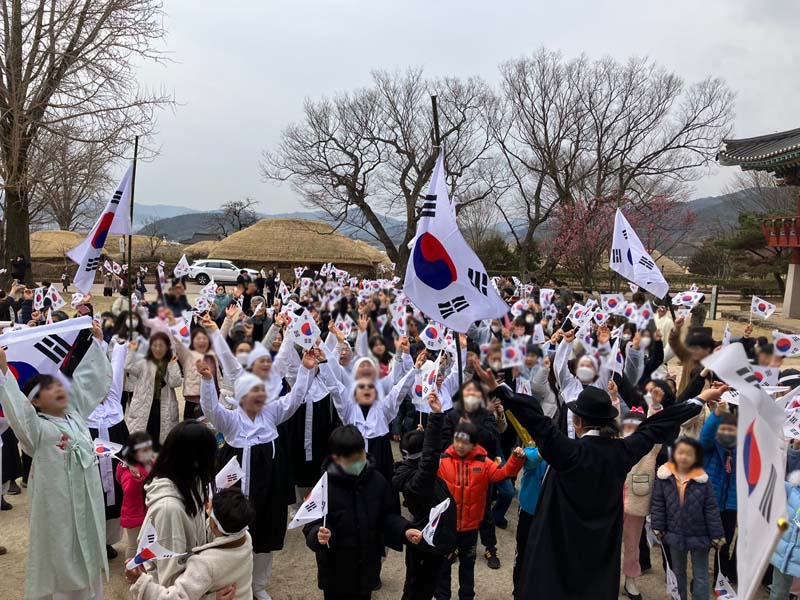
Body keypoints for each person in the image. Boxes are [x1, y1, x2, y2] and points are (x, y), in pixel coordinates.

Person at [474, 359, 723, 600]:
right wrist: (700, 399)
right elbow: (655, 426)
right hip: (599, 550)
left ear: (578, 421)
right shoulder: (623, 452)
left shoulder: (568, 452)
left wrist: (501, 391)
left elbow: (536, 422)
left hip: (560, 545)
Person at [0, 321, 112, 600]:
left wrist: (96, 342)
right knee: (62, 555)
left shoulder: (75, 414)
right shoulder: (38, 431)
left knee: (89, 554)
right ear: (35, 403)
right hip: (59, 506)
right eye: (46, 390)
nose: (56, 390)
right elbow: (17, 410)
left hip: (86, 501)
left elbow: (88, 381)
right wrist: (4, 371)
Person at [198, 349, 317, 600]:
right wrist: (208, 382)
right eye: (255, 391)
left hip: (269, 488)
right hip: (237, 491)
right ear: (242, 397)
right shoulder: (231, 421)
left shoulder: (271, 415)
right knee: (233, 534)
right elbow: (211, 411)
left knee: (266, 535)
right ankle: (232, 583)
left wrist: (306, 370)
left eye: (262, 390)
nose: (261, 394)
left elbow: (294, 399)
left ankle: (258, 584)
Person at [303, 425, 423, 600]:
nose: (357, 463)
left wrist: (405, 530)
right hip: (336, 571)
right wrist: (318, 535)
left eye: (360, 456)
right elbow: (311, 523)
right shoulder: (324, 487)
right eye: (351, 460)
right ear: (336, 459)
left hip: (367, 565)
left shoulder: (377, 481)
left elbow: (387, 516)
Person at [435, 422, 526, 600]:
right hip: (447, 527)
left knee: (468, 566)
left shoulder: (484, 463)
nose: (460, 445)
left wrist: (516, 459)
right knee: (443, 566)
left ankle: (467, 596)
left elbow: (503, 473)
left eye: (465, 442)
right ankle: (441, 596)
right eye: (457, 440)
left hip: (470, 529)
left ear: (474, 443)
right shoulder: (442, 460)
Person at [127, 488, 256, 600]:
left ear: (215, 525)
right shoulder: (246, 539)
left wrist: (140, 582)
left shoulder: (205, 564)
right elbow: (219, 534)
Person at [392, 391, 457, 600]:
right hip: (425, 546)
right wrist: (436, 416)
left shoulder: (412, 471)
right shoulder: (419, 482)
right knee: (417, 591)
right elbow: (430, 455)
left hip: (432, 544)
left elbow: (429, 452)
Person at [139, 420, 217, 587]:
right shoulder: (169, 510)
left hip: (194, 580)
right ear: (196, 460)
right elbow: (170, 580)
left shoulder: (191, 481)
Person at [651, 437, 725, 600]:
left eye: (689, 454)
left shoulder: (703, 480)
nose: (684, 457)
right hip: (674, 534)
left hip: (700, 535)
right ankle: (679, 597)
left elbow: (711, 509)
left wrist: (717, 535)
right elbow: (658, 504)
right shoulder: (664, 478)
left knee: (701, 574)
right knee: (678, 571)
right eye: (680, 453)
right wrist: (657, 525)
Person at [86, 342, 130, 560]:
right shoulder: (81, 408)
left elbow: (117, 362)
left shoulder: (114, 402)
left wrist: (112, 342)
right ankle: (93, 543)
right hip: (92, 462)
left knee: (117, 496)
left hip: (116, 462)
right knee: (94, 498)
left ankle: (108, 542)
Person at [621, 407, 661, 600]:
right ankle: (606, 576)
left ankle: (630, 579)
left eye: (636, 427)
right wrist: (613, 396)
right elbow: (612, 416)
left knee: (632, 545)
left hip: (636, 505)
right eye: (627, 426)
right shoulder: (616, 443)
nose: (631, 430)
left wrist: (655, 411)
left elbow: (658, 429)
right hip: (611, 503)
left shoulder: (650, 448)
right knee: (607, 542)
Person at [699, 400, 738, 583]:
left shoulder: (741, 450)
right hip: (711, 502)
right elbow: (704, 438)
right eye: (724, 429)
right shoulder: (711, 447)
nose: (728, 433)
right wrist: (716, 415)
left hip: (731, 504)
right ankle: (700, 577)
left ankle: (720, 578)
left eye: (732, 429)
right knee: (705, 541)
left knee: (725, 543)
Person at [124, 332, 183, 450]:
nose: (158, 348)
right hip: (144, 405)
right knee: (142, 438)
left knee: (161, 439)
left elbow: (175, 382)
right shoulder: (144, 361)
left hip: (164, 405)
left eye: (161, 346)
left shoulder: (170, 361)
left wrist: (172, 363)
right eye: (155, 345)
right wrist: (131, 351)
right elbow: (128, 367)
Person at [513, 442, 546, 599]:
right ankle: (518, 590)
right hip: (528, 510)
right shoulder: (533, 451)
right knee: (523, 551)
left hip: (548, 513)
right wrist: (544, 450)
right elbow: (530, 458)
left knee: (542, 555)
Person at [117, 431, 155, 560]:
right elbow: (129, 491)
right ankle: (131, 568)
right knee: (134, 544)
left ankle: (145, 567)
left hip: (148, 510)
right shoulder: (127, 469)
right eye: (143, 450)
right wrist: (135, 478)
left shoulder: (149, 462)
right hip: (134, 513)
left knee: (149, 542)